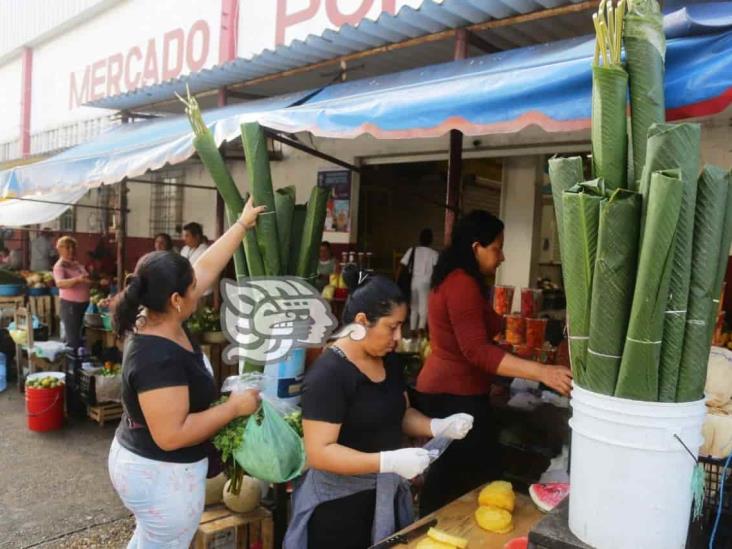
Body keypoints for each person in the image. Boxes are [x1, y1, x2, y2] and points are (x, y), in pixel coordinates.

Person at [108, 198, 265, 547]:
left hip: (148, 465)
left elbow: (205, 268)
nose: (201, 288)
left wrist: (241, 225)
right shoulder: (157, 355)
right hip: (161, 474)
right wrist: (234, 408)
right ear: (177, 298)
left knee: (149, 540)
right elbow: (172, 435)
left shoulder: (160, 314)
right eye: (193, 287)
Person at [284, 265, 475, 549]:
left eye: (401, 326)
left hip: (381, 501)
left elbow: (400, 413)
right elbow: (320, 452)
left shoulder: (389, 361)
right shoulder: (329, 375)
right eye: (391, 327)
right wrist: (388, 461)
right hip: (336, 511)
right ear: (361, 321)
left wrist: (437, 425)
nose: (398, 337)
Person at [415, 210, 573, 515]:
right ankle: (433, 533)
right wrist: (542, 372)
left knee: (463, 474)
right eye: (497, 248)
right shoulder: (460, 283)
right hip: (451, 395)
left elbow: (483, 337)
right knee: (457, 476)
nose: (501, 257)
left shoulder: (461, 280)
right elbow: (477, 351)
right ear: (476, 247)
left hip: (458, 391)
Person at [396, 228, 439, 338]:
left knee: (414, 306)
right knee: (424, 306)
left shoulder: (412, 250)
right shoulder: (434, 254)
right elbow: (437, 270)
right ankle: (421, 328)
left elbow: (402, 265)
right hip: (426, 283)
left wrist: (396, 280)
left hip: (414, 281)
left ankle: (412, 329)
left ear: (419, 239)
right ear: (431, 240)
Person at [53, 236, 92, 352]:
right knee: (72, 338)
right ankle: (72, 366)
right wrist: (77, 280)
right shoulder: (59, 266)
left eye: (73, 247)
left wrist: (94, 282)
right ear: (60, 249)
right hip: (71, 305)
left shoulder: (76, 264)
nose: (71, 250)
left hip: (83, 304)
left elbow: (86, 278)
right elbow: (60, 283)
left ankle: (78, 362)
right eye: (67, 247)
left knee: (80, 336)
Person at [180, 222, 212, 302]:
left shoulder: (206, 251)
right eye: (184, 236)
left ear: (197, 236)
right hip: (188, 292)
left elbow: (215, 274)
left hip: (203, 293)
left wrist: (215, 299)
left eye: (187, 236)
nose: (184, 238)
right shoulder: (185, 249)